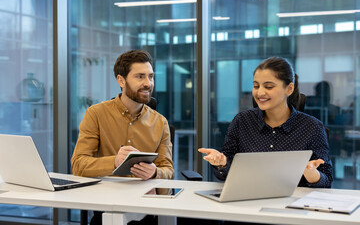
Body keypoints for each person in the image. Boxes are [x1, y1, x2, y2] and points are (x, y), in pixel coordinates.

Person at [71, 49, 174, 224]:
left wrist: (155, 172)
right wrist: (114, 161)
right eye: (140, 77)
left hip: (146, 211)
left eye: (151, 76)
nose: (148, 83)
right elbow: (78, 164)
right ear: (121, 80)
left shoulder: (160, 122)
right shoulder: (96, 114)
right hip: (107, 208)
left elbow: (168, 170)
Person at [199, 57, 333, 188]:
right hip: (247, 199)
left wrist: (311, 173)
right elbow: (224, 175)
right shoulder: (242, 121)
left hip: (292, 204)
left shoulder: (312, 127)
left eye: (268, 86)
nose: (260, 92)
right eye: (256, 86)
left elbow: (327, 179)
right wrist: (221, 163)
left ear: (289, 89)